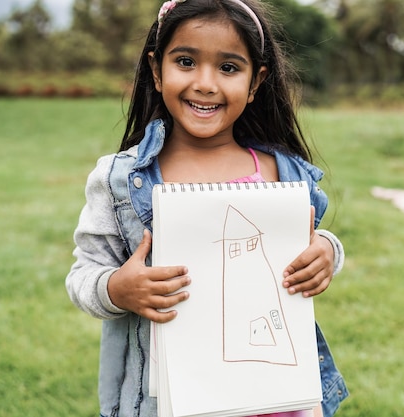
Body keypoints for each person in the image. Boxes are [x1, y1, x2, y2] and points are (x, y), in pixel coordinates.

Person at [65, 1, 348, 416]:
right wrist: (116, 289)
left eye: (229, 68)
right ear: (157, 70)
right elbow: (83, 275)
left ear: (256, 82)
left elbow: (309, 246)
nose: (205, 83)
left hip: (272, 395)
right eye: (185, 61)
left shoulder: (281, 171)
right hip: (170, 401)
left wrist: (327, 250)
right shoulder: (122, 180)